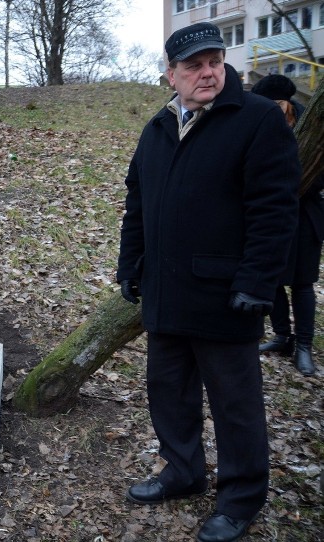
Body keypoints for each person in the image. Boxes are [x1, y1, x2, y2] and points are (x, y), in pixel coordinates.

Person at [117, 23, 300, 542]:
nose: (208, 73)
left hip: (227, 296)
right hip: (165, 291)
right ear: (171, 75)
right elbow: (139, 205)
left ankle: (241, 498)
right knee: (168, 391)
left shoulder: (258, 119)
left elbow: (274, 210)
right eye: (194, 66)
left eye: (214, 61)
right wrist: (130, 266)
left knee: (235, 404)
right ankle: (182, 471)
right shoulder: (158, 127)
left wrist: (258, 282)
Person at [251, 74, 323, 376]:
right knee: (275, 279)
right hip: (272, 214)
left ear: (289, 103)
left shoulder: (310, 127)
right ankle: (282, 337)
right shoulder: (259, 125)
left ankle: (304, 345)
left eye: (279, 104)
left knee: (303, 282)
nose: (275, 109)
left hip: (305, 214)